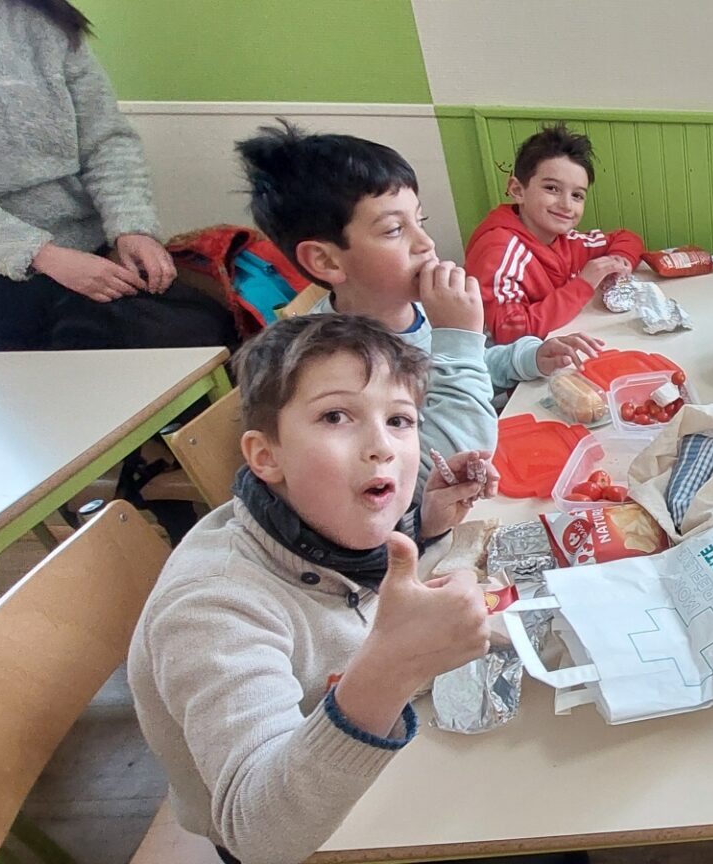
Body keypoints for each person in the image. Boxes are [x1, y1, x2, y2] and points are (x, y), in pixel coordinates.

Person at [128, 314, 492, 864]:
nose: (381, 446)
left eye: (399, 420)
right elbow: (260, 834)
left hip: (365, 770)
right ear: (266, 456)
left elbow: (346, 573)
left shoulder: (324, 520)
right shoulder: (212, 605)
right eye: (336, 416)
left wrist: (428, 522)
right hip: (299, 829)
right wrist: (393, 668)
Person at [235, 123, 601, 465]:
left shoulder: (414, 309)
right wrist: (458, 336)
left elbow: (460, 369)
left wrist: (528, 356)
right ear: (326, 261)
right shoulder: (338, 368)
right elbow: (446, 462)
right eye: (394, 229)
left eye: (419, 221)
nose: (426, 243)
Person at [0, 0, 211, 352]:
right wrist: (40, 254)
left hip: (90, 258)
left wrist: (132, 226)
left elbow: (106, 138)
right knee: (24, 388)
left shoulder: (41, 16)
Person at [464, 123, 644, 344]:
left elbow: (626, 238)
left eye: (577, 195)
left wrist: (619, 259)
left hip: (545, 349)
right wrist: (583, 284)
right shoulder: (500, 250)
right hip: (497, 360)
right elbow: (508, 331)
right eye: (552, 188)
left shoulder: (565, 239)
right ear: (517, 190)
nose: (566, 205)